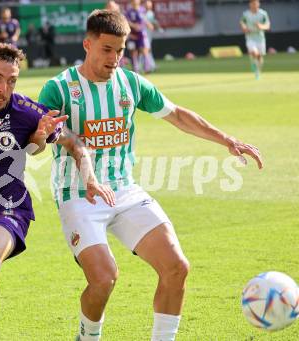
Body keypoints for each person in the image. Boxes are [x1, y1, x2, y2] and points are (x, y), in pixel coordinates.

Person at [38, 10, 263, 341]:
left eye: (120, 50)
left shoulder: (130, 83)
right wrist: (39, 136)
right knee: (104, 278)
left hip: (125, 192)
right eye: (107, 50)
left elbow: (177, 115)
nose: (115, 58)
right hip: (78, 196)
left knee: (177, 267)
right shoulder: (58, 89)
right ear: (87, 44)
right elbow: (38, 140)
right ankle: (87, 337)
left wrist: (227, 140)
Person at [0, 43, 114, 341]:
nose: (3, 88)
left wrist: (47, 144)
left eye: (12, 80)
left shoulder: (25, 110)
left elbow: (72, 142)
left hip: (6, 210)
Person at [240, 0, 270, 79]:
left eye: (256, 3)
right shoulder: (246, 14)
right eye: (252, 3)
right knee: (254, 52)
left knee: (259, 56)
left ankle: (257, 69)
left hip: (260, 38)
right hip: (250, 37)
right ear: (250, 4)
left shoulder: (263, 14)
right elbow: (242, 23)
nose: (254, 4)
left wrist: (261, 26)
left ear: (258, 4)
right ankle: (256, 70)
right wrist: (245, 29)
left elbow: (267, 26)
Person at [125, 0, 155, 73]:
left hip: (141, 34)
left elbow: (145, 19)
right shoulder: (128, 11)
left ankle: (147, 68)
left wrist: (149, 24)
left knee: (145, 50)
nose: (135, 2)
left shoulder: (142, 10)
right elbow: (126, 21)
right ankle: (136, 69)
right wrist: (134, 25)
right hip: (132, 34)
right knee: (133, 51)